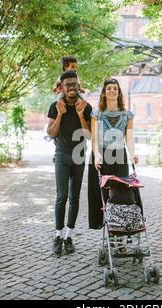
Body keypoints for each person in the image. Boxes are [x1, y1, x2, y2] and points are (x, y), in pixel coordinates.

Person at [47, 70, 92, 255]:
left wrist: (81, 115)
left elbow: (88, 135)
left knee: (74, 198)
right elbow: (51, 133)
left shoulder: (86, 107)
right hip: (62, 156)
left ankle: (69, 236)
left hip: (79, 157)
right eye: (67, 85)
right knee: (61, 196)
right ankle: (58, 236)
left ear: (78, 86)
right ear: (63, 87)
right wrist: (59, 114)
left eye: (74, 84)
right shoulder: (55, 106)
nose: (71, 87)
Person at [87, 78, 139, 229]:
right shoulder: (96, 114)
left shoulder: (127, 115)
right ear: (104, 92)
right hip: (102, 155)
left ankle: (122, 228)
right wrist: (96, 155)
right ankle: (107, 226)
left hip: (120, 156)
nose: (112, 91)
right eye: (109, 88)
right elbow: (94, 139)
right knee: (103, 195)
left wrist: (132, 154)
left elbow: (129, 138)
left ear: (119, 92)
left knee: (120, 192)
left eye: (115, 88)